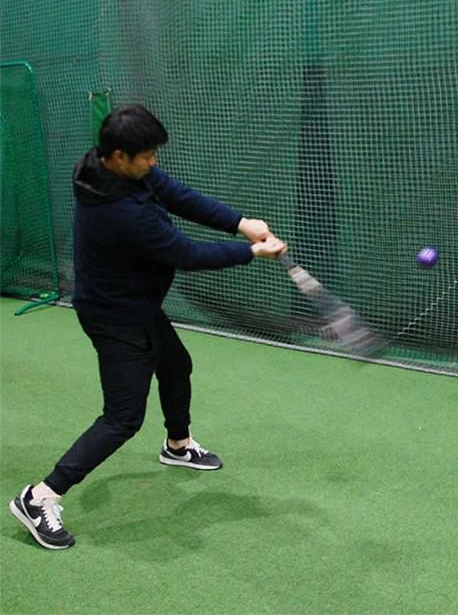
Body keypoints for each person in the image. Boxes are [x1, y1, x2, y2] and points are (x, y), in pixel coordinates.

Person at [9, 104, 286, 550]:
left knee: (176, 365)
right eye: (146, 156)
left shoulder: (108, 168)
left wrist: (240, 223)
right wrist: (250, 252)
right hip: (115, 316)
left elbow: (176, 193)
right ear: (118, 156)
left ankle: (177, 445)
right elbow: (186, 255)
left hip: (137, 303)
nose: (153, 162)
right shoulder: (120, 212)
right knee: (122, 419)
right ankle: (40, 496)